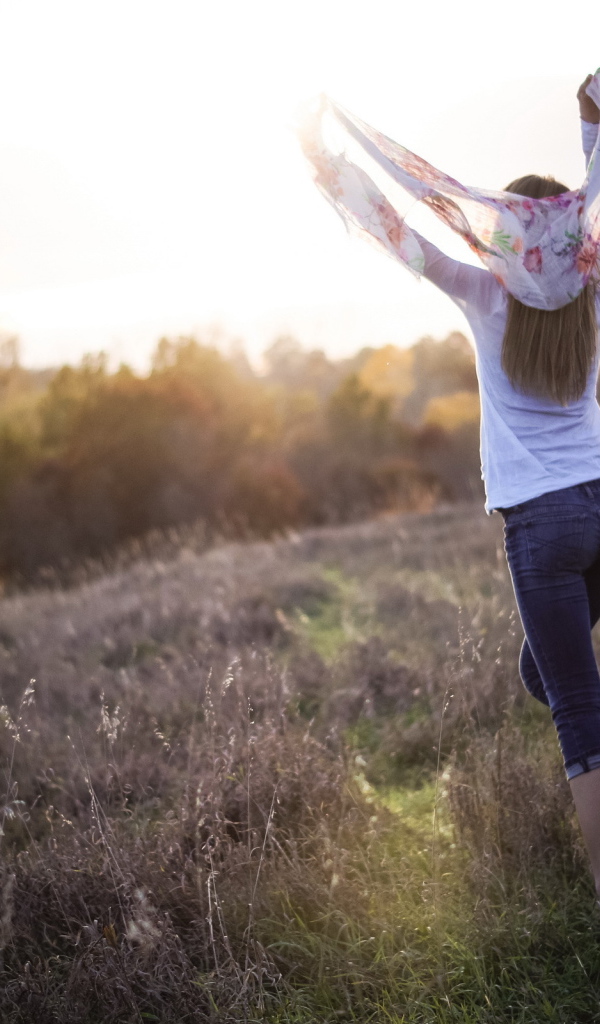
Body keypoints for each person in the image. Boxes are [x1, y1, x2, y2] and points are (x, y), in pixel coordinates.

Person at [401, 76, 600, 904]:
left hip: (543, 523)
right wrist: (592, 124)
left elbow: (404, 240)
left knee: (578, 722)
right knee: (543, 677)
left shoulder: (486, 292)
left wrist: (324, 162)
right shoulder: (589, 286)